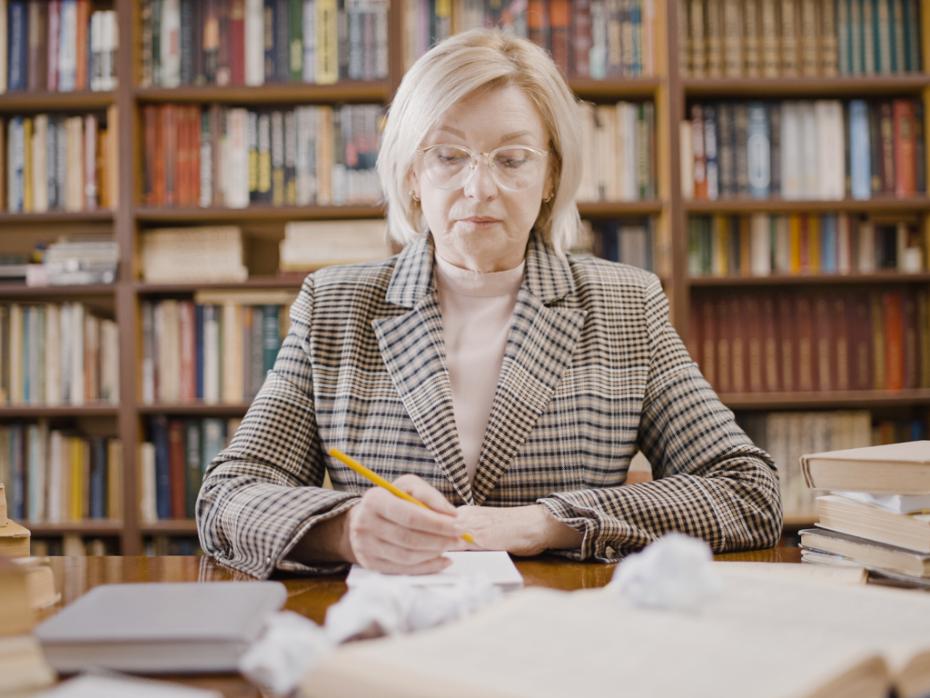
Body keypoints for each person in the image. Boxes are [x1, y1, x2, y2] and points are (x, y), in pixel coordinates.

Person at [196, 29, 782, 579]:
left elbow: (748, 491)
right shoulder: (335, 305)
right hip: (391, 639)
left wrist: (544, 522)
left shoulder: (625, 304)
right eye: (448, 156)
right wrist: (344, 531)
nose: (479, 189)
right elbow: (228, 496)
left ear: (551, 174)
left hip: (559, 636)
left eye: (512, 158)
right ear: (411, 174)